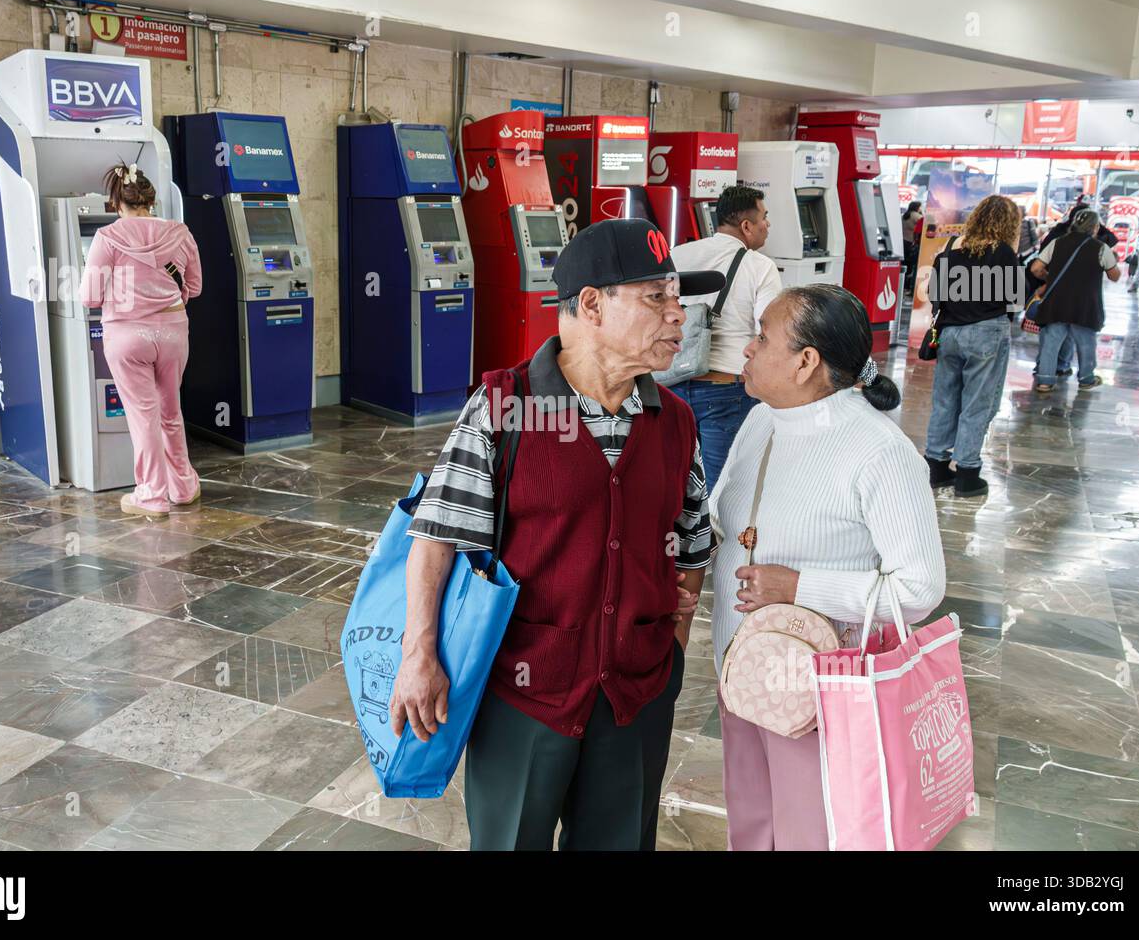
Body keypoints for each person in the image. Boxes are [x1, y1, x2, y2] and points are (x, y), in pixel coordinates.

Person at [394, 218, 724, 850]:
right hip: (527, 689)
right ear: (592, 304)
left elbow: (692, 540)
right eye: (656, 297)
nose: (678, 316)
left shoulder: (673, 418)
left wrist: (670, 644)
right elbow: (436, 537)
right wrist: (421, 654)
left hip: (636, 693)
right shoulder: (509, 405)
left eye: (677, 298)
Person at [710, 283, 945, 851]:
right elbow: (724, 514)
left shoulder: (879, 452)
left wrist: (799, 586)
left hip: (815, 681)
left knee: (807, 828)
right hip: (742, 667)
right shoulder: (763, 419)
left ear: (806, 362)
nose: (746, 348)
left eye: (762, 338)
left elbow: (919, 588)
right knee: (750, 817)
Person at [78, 163, 202, 518]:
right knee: (170, 411)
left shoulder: (107, 238)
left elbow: (90, 297)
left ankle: (150, 495)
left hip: (128, 335)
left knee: (143, 416)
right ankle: (184, 485)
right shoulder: (180, 232)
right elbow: (194, 286)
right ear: (151, 200)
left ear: (118, 203)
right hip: (173, 331)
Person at [665, 185, 783, 490]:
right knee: (723, 487)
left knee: (674, 479)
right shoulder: (761, 267)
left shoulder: (677, 254)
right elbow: (768, 330)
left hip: (670, 384)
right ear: (746, 226)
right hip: (726, 390)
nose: (767, 225)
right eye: (764, 218)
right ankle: (717, 538)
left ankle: (678, 538)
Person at [923, 195, 1021, 498]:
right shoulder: (1003, 252)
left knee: (944, 400)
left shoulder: (951, 247)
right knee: (977, 405)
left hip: (950, 333)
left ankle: (936, 466)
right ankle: (967, 473)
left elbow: (934, 293)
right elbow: (1012, 303)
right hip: (987, 333)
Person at [1030, 208, 1122, 393]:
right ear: (1095, 227)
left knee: (1051, 343)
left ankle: (1045, 381)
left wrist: (1050, 278)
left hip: (1057, 302)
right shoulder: (1100, 248)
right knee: (1086, 343)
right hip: (1085, 305)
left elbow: (1036, 268)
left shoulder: (1057, 243)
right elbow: (1115, 276)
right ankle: (1086, 378)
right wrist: (1113, 263)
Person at [901, 201, 924, 292]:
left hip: (904, 241)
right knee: (911, 266)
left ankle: (903, 285)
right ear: (917, 207)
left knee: (905, 264)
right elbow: (923, 224)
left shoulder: (905, 215)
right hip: (912, 243)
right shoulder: (917, 216)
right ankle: (907, 286)